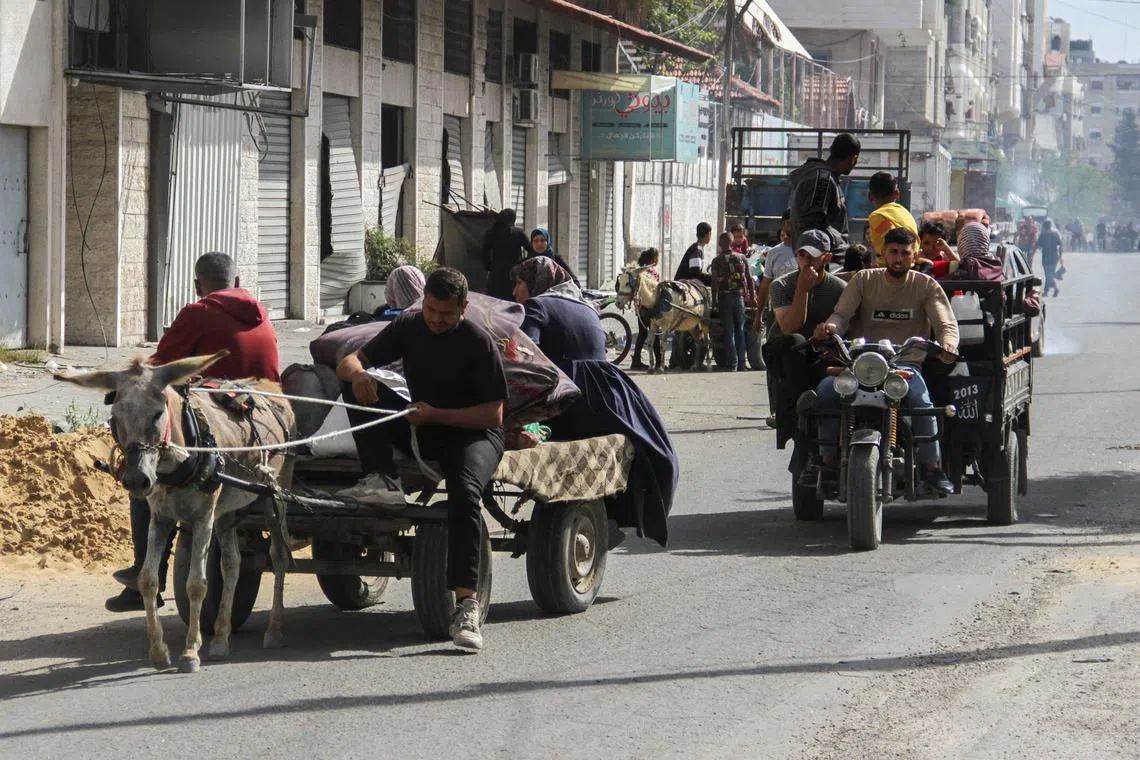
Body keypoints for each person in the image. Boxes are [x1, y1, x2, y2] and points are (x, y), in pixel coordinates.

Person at [336, 268, 507, 651]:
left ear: (463, 308)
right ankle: (381, 478)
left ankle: (466, 604)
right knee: (360, 388)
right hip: (423, 422)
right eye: (430, 309)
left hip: (473, 432)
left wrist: (434, 415)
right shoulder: (410, 326)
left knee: (464, 493)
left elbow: (494, 414)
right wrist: (359, 374)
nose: (436, 319)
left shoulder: (478, 342)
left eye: (445, 313)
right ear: (423, 301)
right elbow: (349, 361)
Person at [107, 252, 282, 612]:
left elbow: (155, 373)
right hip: (265, 416)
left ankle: (146, 573)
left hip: (217, 419)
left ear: (198, 285)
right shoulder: (261, 312)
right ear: (236, 282)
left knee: (143, 476)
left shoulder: (197, 312)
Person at [512, 256, 678, 549]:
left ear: (536, 284)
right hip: (608, 398)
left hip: (568, 399)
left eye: (519, 284)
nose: (515, 292)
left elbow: (526, 356)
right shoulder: (584, 306)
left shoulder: (536, 307)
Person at [812, 227, 959, 494]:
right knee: (825, 393)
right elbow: (841, 315)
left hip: (904, 366)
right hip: (859, 364)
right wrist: (830, 328)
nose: (899, 258)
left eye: (905, 253)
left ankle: (931, 468)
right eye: (893, 252)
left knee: (922, 403)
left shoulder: (926, 285)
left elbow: (945, 323)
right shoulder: (864, 280)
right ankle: (828, 462)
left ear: (914, 256)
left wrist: (948, 344)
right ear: (883, 254)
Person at [763, 230, 847, 450]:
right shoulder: (781, 286)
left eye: (812, 256)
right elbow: (790, 326)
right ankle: (801, 403)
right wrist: (802, 289)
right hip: (784, 353)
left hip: (821, 351)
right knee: (794, 340)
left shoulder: (839, 289)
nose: (806, 262)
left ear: (826, 258)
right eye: (802, 256)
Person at [788, 133, 861, 252]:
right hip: (824, 260)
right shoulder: (823, 180)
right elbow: (811, 230)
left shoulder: (821, 177)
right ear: (853, 159)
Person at [710, 231, 756, 372]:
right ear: (732, 243)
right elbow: (749, 279)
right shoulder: (741, 257)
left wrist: (714, 301)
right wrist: (753, 297)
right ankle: (742, 364)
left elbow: (714, 283)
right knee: (740, 331)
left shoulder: (717, 261)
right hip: (739, 298)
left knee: (729, 332)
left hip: (724, 298)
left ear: (720, 244)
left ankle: (733, 365)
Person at [752, 211, 797, 333]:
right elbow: (765, 286)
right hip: (777, 311)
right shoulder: (774, 253)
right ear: (783, 225)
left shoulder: (807, 252)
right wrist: (759, 316)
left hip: (801, 310)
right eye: (789, 223)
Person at [866, 172, 918, 265]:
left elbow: (894, 239)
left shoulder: (877, 216)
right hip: (910, 264)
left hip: (892, 268)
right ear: (897, 193)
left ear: (870, 196)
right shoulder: (906, 213)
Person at [482, 208, 531, 300]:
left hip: (496, 273)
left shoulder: (491, 232)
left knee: (494, 302)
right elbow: (530, 249)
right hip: (514, 273)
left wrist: (488, 267)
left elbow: (484, 251)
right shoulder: (518, 233)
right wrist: (524, 264)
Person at [630, 248, 663, 371]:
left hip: (640, 307)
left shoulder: (640, 270)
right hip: (650, 307)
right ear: (654, 258)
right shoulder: (653, 272)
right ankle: (659, 362)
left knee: (642, 334)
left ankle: (636, 361)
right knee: (654, 333)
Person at [1035, 218, 1064, 297]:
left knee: (1048, 275)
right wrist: (1061, 256)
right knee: (1049, 275)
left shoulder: (1044, 234)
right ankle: (1056, 289)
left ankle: (1046, 291)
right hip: (1052, 256)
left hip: (1049, 256)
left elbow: (1037, 245)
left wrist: (1032, 251)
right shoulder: (1055, 233)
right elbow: (1060, 245)